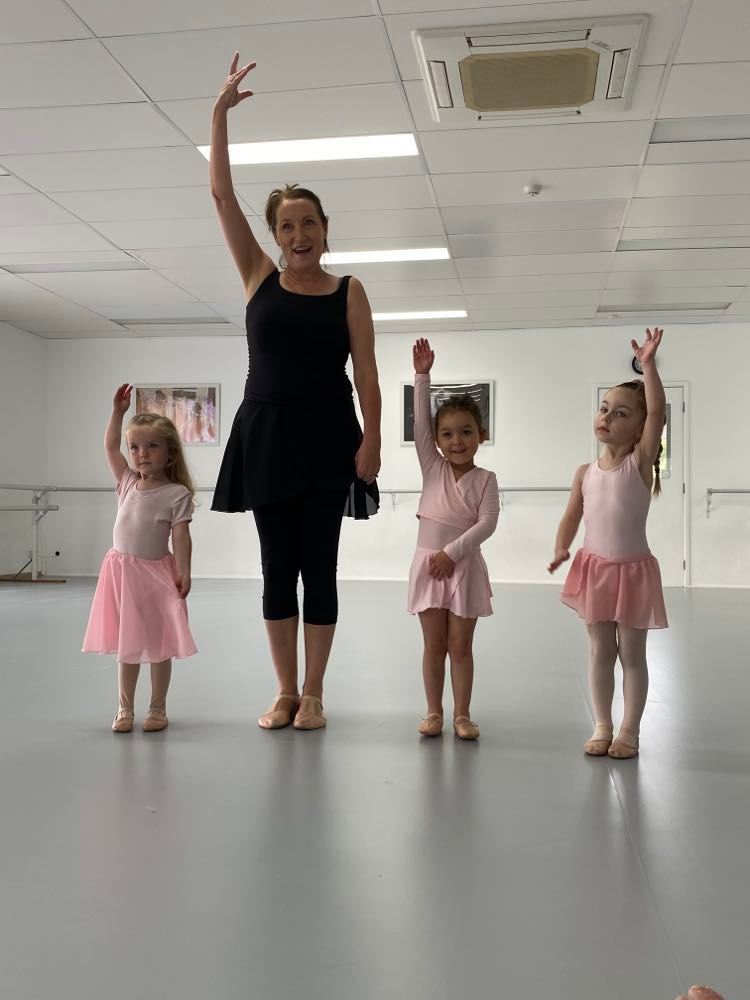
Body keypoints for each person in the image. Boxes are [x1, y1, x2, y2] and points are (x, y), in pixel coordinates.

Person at [209, 53, 382, 732]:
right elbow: (222, 197)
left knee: (321, 567)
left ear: (325, 228)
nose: (299, 234)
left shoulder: (349, 291)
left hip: (329, 438)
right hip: (267, 437)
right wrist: (219, 115)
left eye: (309, 222)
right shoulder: (258, 276)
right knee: (276, 568)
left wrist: (372, 439)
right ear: (275, 235)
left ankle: (315, 692)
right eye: (287, 225)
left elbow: (366, 374)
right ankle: (285, 691)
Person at [548, 328, 668, 759]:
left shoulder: (640, 463)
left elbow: (658, 411)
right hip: (594, 569)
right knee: (600, 650)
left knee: (632, 654)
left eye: (621, 413)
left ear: (639, 428)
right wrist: (561, 547)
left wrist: (648, 365)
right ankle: (602, 725)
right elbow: (572, 515)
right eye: (604, 409)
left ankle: (629, 731)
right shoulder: (585, 472)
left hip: (633, 571)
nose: (607, 417)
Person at [82, 384, 197, 732]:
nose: (141, 454)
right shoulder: (127, 483)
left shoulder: (176, 494)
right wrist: (117, 412)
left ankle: (158, 708)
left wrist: (184, 570)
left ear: (170, 453)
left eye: (152, 446)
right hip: (123, 575)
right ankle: (124, 708)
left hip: (157, 577)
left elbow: (181, 536)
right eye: (135, 447)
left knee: (159, 644)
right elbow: (109, 446)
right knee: (127, 644)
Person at [408, 338, 499, 740]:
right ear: (437, 440)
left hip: (463, 567)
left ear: (481, 434)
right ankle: (433, 712)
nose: (456, 441)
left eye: (465, 432)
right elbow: (420, 427)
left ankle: (462, 715)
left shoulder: (486, 479)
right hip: (429, 566)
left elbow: (487, 523)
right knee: (434, 646)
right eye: (447, 434)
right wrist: (422, 377)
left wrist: (452, 552)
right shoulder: (432, 467)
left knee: (460, 647)